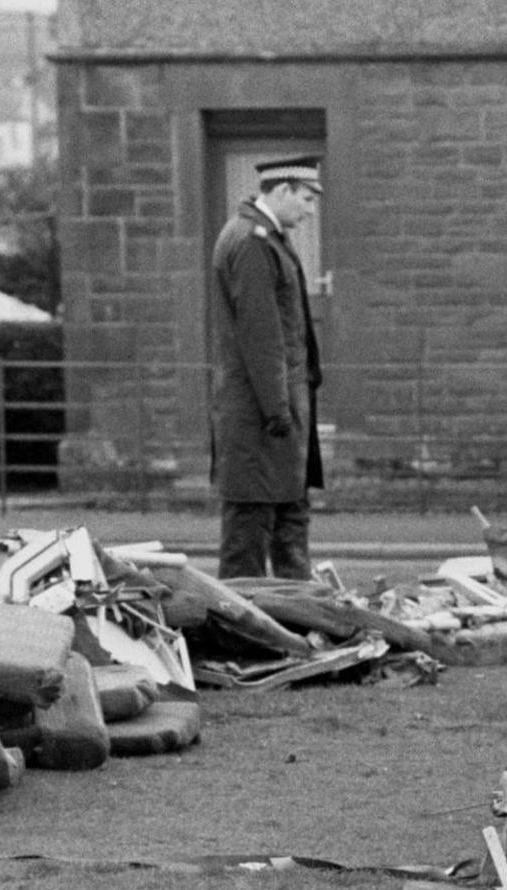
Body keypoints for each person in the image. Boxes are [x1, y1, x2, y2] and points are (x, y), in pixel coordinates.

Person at [208, 155, 324, 579]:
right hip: (262, 415)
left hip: (273, 411)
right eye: (307, 198)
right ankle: (242, 637)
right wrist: (279, 410)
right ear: (281, 190)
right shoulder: (253, 241)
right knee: (249, 536)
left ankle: (299, 618)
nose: (310, 210)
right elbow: (262, 337)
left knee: (288, 518)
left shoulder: (264, 237)